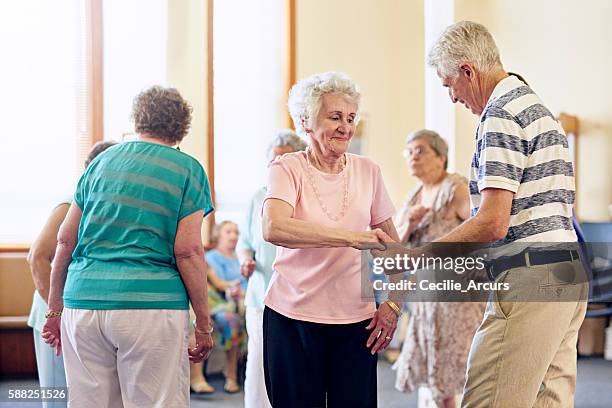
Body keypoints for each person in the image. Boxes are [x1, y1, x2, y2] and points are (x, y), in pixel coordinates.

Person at [421, 21, 587, 406]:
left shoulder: (499, 115)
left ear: (468, 71)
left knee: (488, 399)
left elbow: (493, 221)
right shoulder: (539, 111)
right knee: (548, 400)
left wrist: (425, 254)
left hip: (531, 278)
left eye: (449, 85)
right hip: (568, 272)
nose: (452, 97)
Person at [41, 85, 215, 407]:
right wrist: (203, 325)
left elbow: (66, 239)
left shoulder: (101, 161)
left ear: (138, 120)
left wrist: (54, 310)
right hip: (150, 306)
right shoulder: (187, 169)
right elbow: (188, 251)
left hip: (83, 303)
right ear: (181, 126)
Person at [262, 71, 402, 408]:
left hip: (356, 321)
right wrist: (351, 238)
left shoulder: (369, 171)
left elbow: (393, 250)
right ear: (307, 121)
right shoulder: (287, 168)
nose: (345, 127)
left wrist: (394, 305)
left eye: (351, 118)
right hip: (291, 318)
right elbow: (275, 228)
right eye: (335, 116)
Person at [391, 130, 484, 408]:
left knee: (461, 367)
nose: (412, 157)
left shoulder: (455, 187)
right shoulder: (415, 195)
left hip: (458, 296)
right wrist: (407, 222)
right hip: (427, 296)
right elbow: (396, 244)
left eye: (420, 150)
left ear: (441, 156)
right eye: (409, 151)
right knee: (438, 372)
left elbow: (480, 224)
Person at [27, 140, 117, 408]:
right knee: (58, 397)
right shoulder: (70, 205)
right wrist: (59, 313)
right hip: (54, 315)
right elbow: (37, 258)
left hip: (84, 316)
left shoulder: (103, 206)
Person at [237, 129, 307, 408]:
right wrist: (245, 260)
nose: (276, 166)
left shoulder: (304, 194)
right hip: (260, 296)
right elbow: (246, 241)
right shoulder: (259, 196)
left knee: (296, 368)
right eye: (272, 160)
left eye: (283, 160)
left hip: (300, 298)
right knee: (257, 365)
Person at [190, 220, 247, 394]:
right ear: (218, 235)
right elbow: (219, 284)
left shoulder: (241, 259)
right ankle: (231, 375)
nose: (234, 236)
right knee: (231, 320)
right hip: (218, 304)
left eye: (236, 232)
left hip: (240, 302)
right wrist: (233, 289)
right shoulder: (210, 257)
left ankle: (233, 373)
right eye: (228, 232)